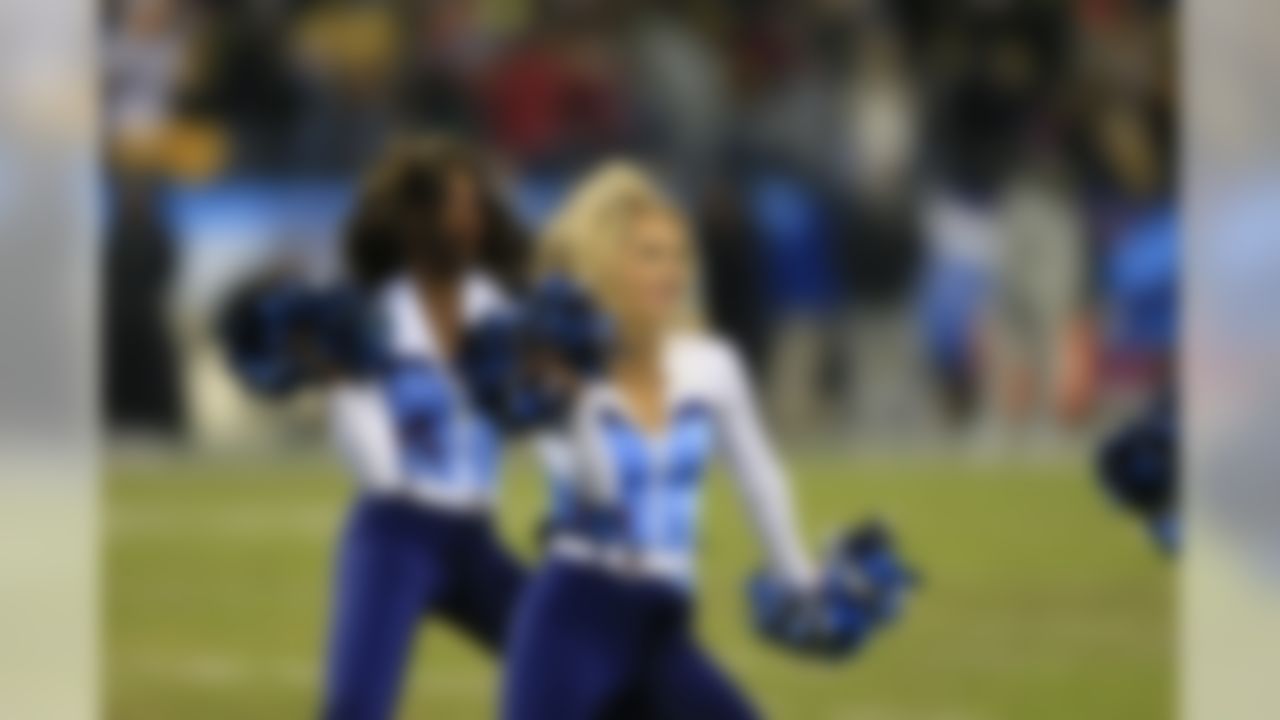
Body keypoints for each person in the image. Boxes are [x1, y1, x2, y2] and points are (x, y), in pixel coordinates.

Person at [499, 163, 825, 720]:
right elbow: (597, 491)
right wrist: (573, 398)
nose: (671, 271)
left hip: (661, 623)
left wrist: (801, 580)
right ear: (605, 263)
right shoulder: (562, 365)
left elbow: (760, 480)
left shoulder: (711, 365)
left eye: (678, 255)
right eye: (649, 255)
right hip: (574, 615)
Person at [320, 135, 528, 719]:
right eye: (458, 204)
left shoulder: (502, 312)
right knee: (356, 707)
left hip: (475, 540)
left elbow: (543, 415)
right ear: (417, 220)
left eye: (478, 204)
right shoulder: (370, 313)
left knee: (596, 675)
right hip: (395, 534)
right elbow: (352, 416)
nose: (474, 218)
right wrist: (397, 480)